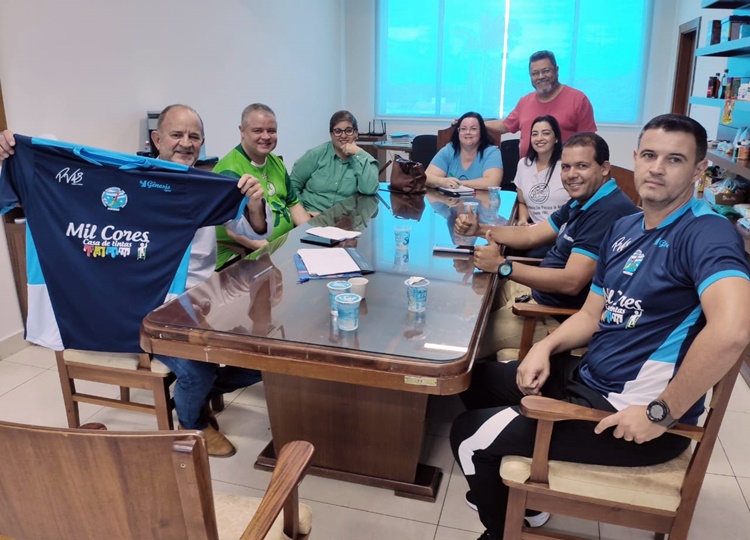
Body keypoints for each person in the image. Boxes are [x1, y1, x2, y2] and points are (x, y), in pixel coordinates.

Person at [449, 113, 750, 540]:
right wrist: (543, 349)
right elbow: (592, 315)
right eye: (649, 155)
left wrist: (659, 414)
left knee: (468, 437)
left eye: (675, 159)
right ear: (635, 158)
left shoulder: (706, 234)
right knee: (474, 381)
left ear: (699, 170)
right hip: (590, 379)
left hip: (629, 416)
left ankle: (500, 532)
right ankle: (523, 508)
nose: (657, 168)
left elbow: (735, 329)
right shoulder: (625, 228)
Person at [0, 104, 273, 458]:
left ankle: (197, 395)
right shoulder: (118, 182)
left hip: (202, 303)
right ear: (156, 138)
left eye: (194, 137)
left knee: (264, 359)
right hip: (142, 310)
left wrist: (253, 202)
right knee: (197, 370)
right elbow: (43, 164)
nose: (185, 143)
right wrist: (10, 152)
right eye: (176, 135)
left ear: (203, 143)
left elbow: (252, 227)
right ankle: (193, 424)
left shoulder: (208, 185)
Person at [455, 133, 638, 357]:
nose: (572, 175)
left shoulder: (607, 211)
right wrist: (480, 229)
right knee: (462, 303)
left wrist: (503, 266)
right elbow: (531, 237)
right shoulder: (585, 200)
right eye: (566, 167)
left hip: (553, 313)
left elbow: (571, 282)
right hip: (533, 290)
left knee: (461, 340)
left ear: (604, 168)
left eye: (582, 166)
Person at [213, 103, 310, 268]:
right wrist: (278, 253)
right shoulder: (230, 171)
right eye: (258, 131)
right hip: (245, 256)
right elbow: (236, 232)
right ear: (242, 131)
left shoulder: (275, 162)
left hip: (285, 248)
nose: (266, 136)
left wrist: (312, 235)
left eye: (271, 131)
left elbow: (293, 205)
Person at [486, 50, 597, 153]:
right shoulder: (524, 102)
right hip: (527, 170)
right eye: (535, 73)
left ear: (556, 70)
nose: (540, 77)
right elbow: (505, 126)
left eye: (546, 71)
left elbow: (588, 142)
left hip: (563, 171)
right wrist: (474, 123)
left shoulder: (578, 100)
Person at [290, 110, 379, 215]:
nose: (343, 135)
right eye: (337, 131)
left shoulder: (366, 159)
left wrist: (357, 153)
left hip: (345, 221)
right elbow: (293, 184)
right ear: (331, 134)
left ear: (356, 133)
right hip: (311, 216)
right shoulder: (316, 154)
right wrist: (302, 212)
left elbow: (369, 190)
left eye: (349, 130)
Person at [513, 115, 569, 258]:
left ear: (556, 138)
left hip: (558, 234)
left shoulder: (566, 166)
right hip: (532, 232)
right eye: (534, 134)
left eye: (546, 133)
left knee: (529, 256)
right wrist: (523, 220)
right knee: (499, 246)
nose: (539, 138)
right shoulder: (523, 164)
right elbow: (522, 202)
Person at [426, 112, 503, 190]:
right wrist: (443, 182)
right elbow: (427, 177)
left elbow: (492, 182)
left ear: (481, 132)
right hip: (450, 201)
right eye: (463, 129)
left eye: (473, 129)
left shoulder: (491, 152)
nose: (468, 132)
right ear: (458, 132)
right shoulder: (449, 149)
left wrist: (457, 183)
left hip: (481, 201)